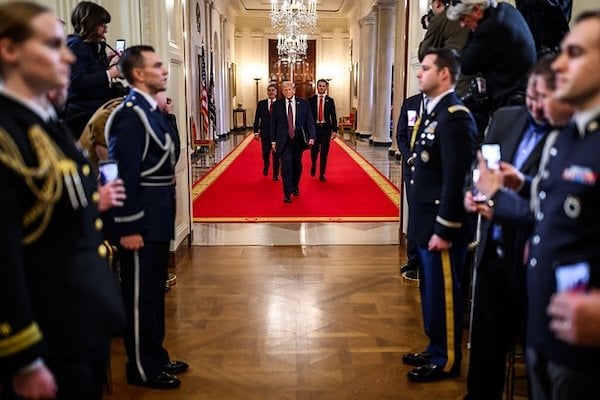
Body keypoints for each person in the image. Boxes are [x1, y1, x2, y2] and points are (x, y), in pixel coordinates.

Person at [0, 2, 126, 399]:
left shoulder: (45, 122)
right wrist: (24, 357)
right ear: (9, 50)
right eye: (54, 45)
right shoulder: (7, 134)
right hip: (47, 333)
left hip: (79, 323)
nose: (69, 54)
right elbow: (3, 255)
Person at [474, 11, 600, 398]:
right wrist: (523, 182)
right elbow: (557, 203)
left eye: (574, 53)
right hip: (544, 329)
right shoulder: (569, 137)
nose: (559, 65)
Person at [462, 58, 555, 400]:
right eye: (532, 94)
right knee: (484, 358)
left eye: (544, 97)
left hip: (533, 268)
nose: (534, 104)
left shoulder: (569, 136)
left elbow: (548, 211)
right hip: (492, 261)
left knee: (537, 367)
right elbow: (479, 172)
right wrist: (471, 196)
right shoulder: (506, 118)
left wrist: (497, 197)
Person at [106, 45, 185, 390]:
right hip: (140, 220)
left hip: (158, 214)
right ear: (138, 73)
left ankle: (156, 354)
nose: (163, 70)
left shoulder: (151, 111)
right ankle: (140, 367)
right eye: (156, 66)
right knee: (139, 296)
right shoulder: (129, 115)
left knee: (153, 292)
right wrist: (130, 225)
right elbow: (120, 173)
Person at [401, 48, 476, 382]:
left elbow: (458, 178)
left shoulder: (455, 116)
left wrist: (445, 228)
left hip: (442, 226)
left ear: (445, 73)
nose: (419, 73)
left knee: (445, 294)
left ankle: (446, 360)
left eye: (426, 68)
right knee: (429, 291)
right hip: (425, 223)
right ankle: (434, 347)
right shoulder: (433, 113)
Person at [447, 0, 536, 116]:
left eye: (463, 18)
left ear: (476, 10)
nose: (462, 25)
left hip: (510, 102)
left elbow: (466, 64)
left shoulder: (491, 28)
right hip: (524, 91)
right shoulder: (505, 9)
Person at [64, 1, 123, 139]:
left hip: (92, 115)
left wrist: (106, 63)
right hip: (83, 118)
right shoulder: (76, 46)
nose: (106, 30)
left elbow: (88, 72)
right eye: (103, 25)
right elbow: (77, 82)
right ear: (91, 24)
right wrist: (111, 73)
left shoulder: (85, 46)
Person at [396, 92, 427, 280]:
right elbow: (401, 135)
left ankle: (427, 260)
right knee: (414, 213)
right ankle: (413, 260)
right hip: (412, 169)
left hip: (434, 170)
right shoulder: (411, 103)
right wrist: (409, 158)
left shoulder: (443, 105)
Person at [270, 81, 315, 203]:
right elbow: (273, 124)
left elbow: (309, 121)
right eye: (285, 89)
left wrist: (312, 136)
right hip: (283, 141)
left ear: (294, 90)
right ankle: (287, 192)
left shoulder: (304, 104)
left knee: (297, 165)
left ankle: (295, 186)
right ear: (282, 91)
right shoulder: (277, 105)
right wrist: (273, 141)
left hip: (298, 140)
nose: (288, 91)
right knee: (286, 166)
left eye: (290, 89)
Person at [418, 0, 471, 96]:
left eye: (431, 6)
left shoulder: (440, 19)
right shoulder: (472, 12)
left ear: (437, 3)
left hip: (458, 84)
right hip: (482, 83)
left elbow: (424, 54)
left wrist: (430, 28)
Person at [308, 79, 337, 182]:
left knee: (324, 152)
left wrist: (334, 130)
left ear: (326, 88)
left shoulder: (330, 100)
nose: (321, 88)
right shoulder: (311, 100)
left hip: (325, 129)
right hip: (314, 130)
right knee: (314, 151)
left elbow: (333, 116)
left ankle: (322, 174)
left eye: (323, 86)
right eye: (320, 86)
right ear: (317, 87)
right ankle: (313, 164)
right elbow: (308, 116)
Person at [253, 83, 280, 180]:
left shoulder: (280, 104)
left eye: (273, 90)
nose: (271, 92)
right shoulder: (261, 104)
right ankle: (266, 165)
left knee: (276, 154)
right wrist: (256, 132)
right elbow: (257, 118)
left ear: (276, 92)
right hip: (265, 133)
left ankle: (276, 174)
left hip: (277, 133)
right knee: (265, 152)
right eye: (269, 90)